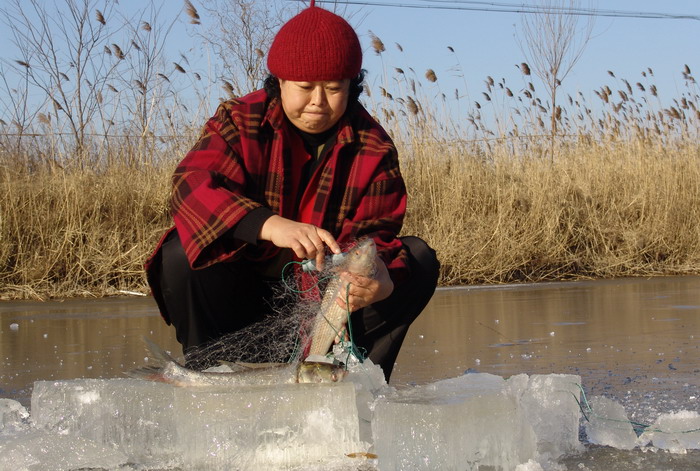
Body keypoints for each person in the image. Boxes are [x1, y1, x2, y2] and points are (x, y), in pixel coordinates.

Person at [145, 0, 439, 381]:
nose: (318, 102)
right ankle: (209, 373)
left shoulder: (373, 146)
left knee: (415, 260)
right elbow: (192, 185)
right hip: (236, 301)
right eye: (304, 87)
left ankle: (356, 382)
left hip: (320, 306)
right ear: (279, 81)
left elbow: (375, 235)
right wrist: (269, 224)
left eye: (335, 88)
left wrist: (381, 277)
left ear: (353, 85)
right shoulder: (238, 120)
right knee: (181, 252)